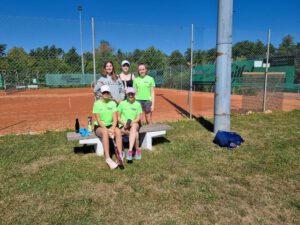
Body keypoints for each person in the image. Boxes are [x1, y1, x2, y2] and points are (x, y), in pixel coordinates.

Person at [93, 85, 123, 169]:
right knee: (105, 132)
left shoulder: (113, 103)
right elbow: (98, 120)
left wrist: (113, 128)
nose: (106, 94)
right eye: (104, 92)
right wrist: (108, 130)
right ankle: (108, 158)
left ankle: (119, 157)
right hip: (100, 126)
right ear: (101, 94)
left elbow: (115, 118)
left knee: (118, 131)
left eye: (107, 92)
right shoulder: (97, 104)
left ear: (109, 93)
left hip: (111, 125)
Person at [117, 87, 142, 160]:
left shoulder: (138, 104)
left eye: (132, 94)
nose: (131, 95)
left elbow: (138, 118)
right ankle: (137, 150)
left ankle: (130, 150)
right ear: (126, 94)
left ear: (134, 94)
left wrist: (131, 123)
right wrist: (124, 123)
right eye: (129, 94)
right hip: (123, 125)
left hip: (134, 124)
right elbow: (118, 117)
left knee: (134, 126)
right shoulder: (121, 103)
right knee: (136, 134)